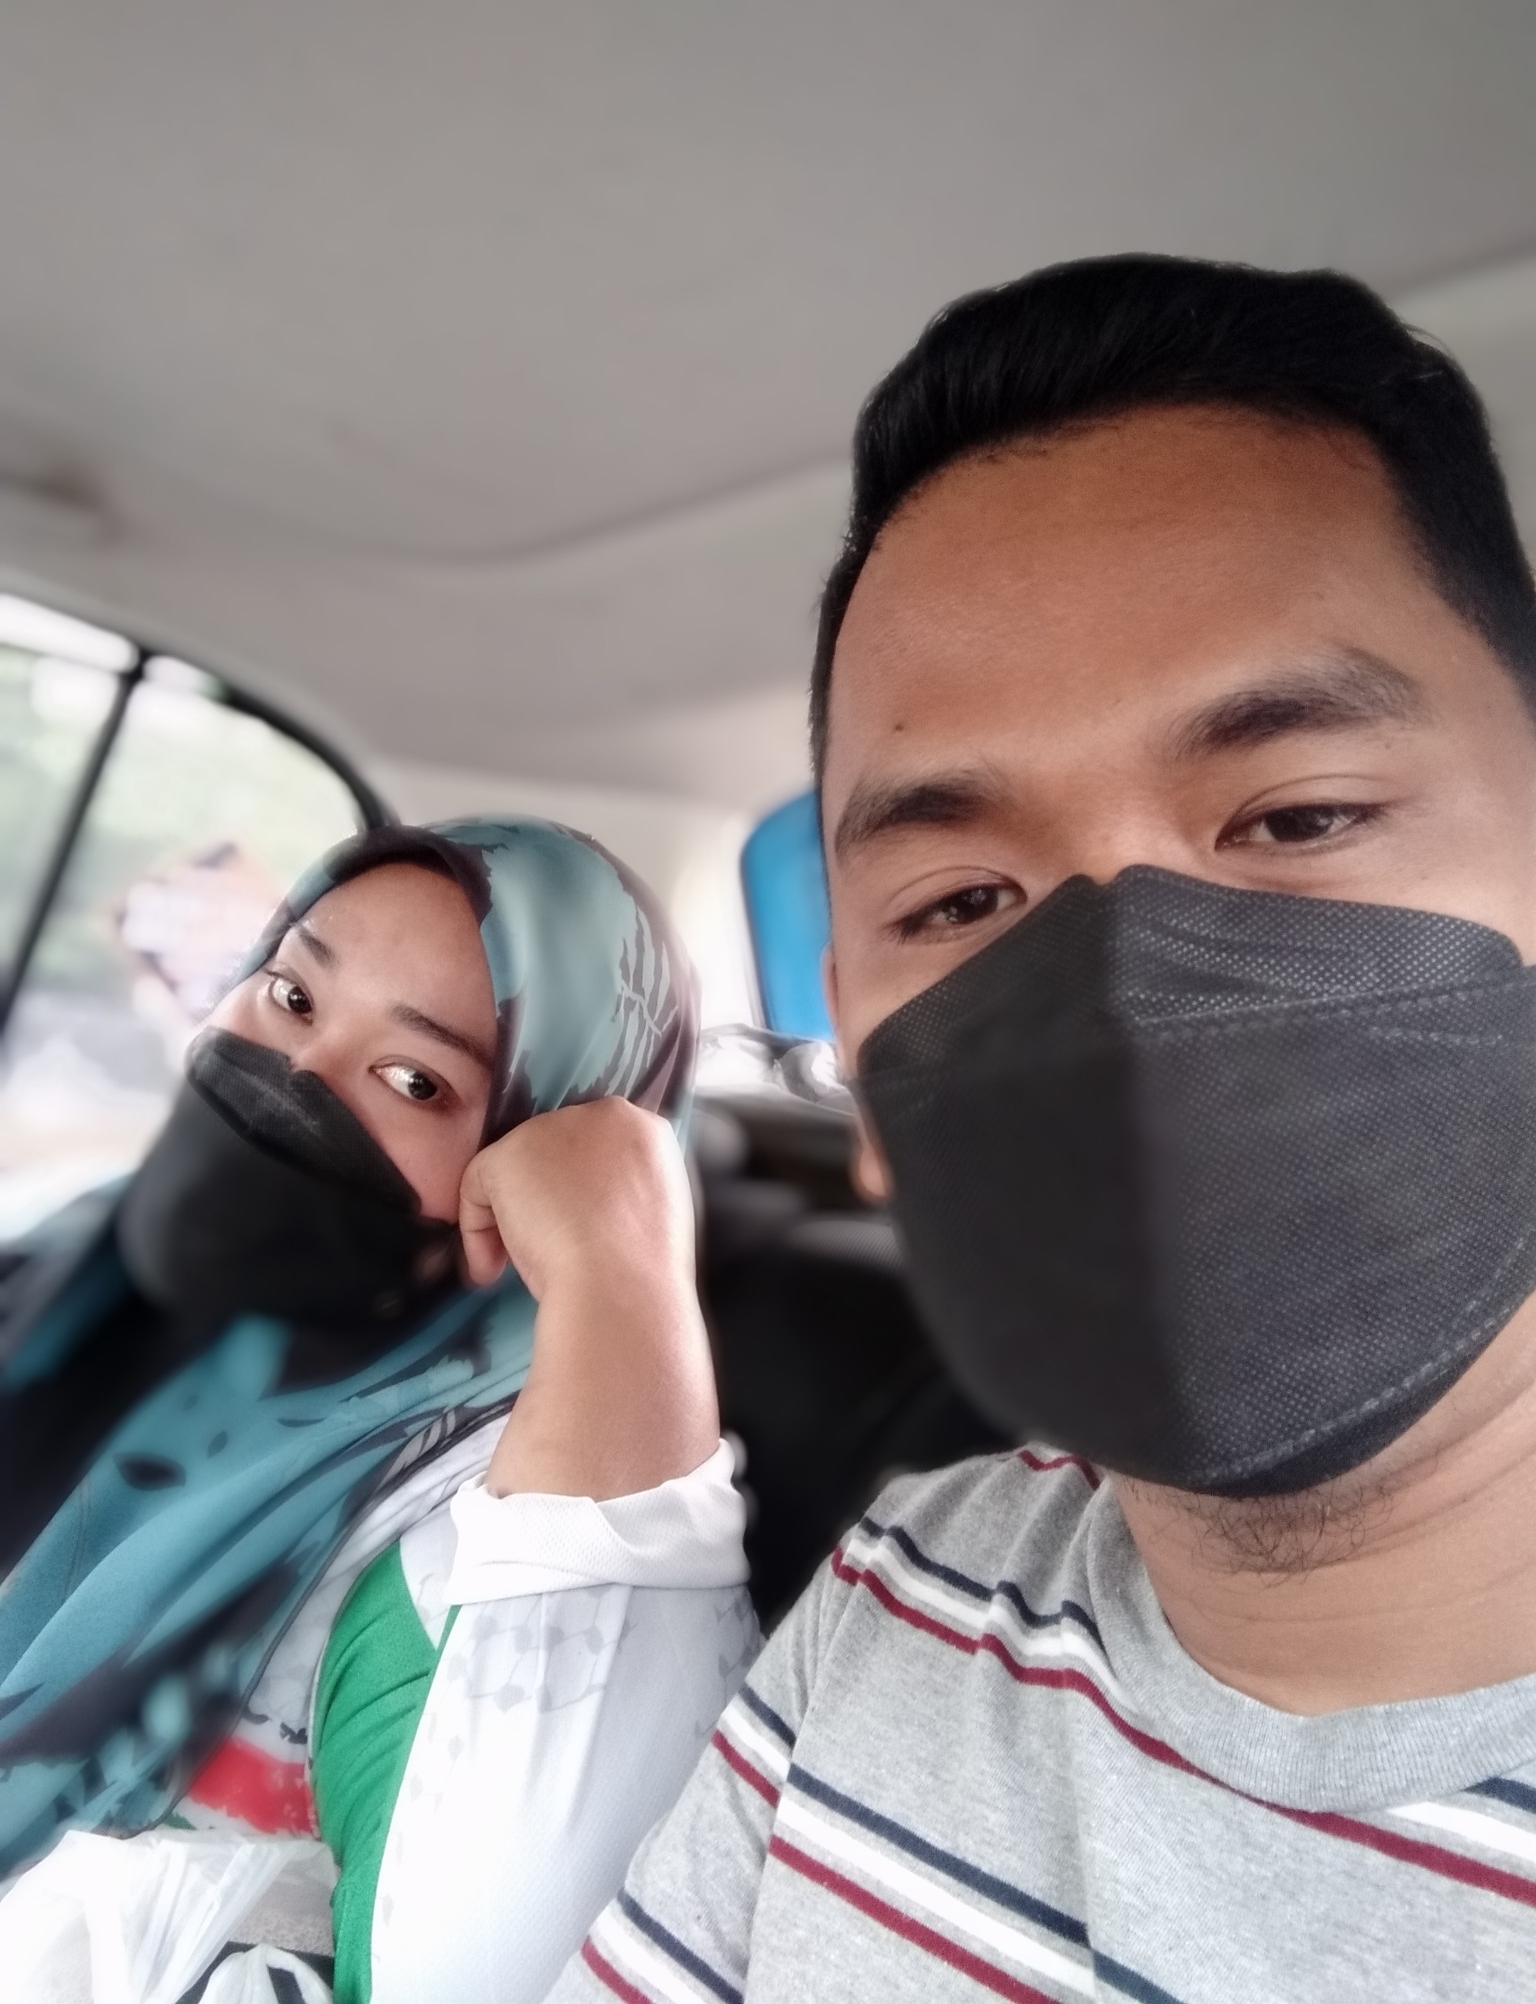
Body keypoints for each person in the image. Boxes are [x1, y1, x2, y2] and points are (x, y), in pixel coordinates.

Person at [544, 256, 1536, 2001]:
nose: (1123, 994)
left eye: (1299, 814)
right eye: (961, 901)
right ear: (862, 1075)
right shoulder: (902, 1580)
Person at [0, 817, 752, 2001]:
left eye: (416, 1079)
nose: (296, 1074)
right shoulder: (66, 1280)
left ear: (532, 1162)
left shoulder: (450, 1557)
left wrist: (617, 1287)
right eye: (292, 992)